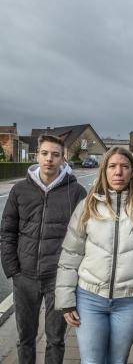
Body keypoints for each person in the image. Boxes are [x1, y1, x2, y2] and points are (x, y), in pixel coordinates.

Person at [55, 146, 133, 364]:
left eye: (125, 167)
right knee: (91, 361)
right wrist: (66, 301)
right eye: (113, 166)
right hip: (89, 299)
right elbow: (71, 254)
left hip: (131, 301)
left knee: (117, 361)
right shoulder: (87, 206)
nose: (118, 172)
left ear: (132, 172)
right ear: (104, 171)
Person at [0, 134, 86, 364]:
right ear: (37, 155)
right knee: (25, 337)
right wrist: (12, 270)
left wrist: (73, 273)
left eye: (55, 155)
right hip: (24, 276)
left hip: (58, 278)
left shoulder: (76, 192)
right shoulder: (19, 190)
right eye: (45, 153)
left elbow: (84, 236)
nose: (49, 159)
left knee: (55, 339)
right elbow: (7, 231)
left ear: (62, 158)